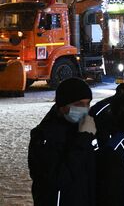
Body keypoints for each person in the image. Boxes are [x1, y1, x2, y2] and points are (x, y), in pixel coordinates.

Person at [28, 77, 97, 206]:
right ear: (63, 106)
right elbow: (55, 181)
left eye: (88, 104)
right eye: (79, 104)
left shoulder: (86, 129)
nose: (85, 109)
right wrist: (83, 139)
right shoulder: (44, 136)